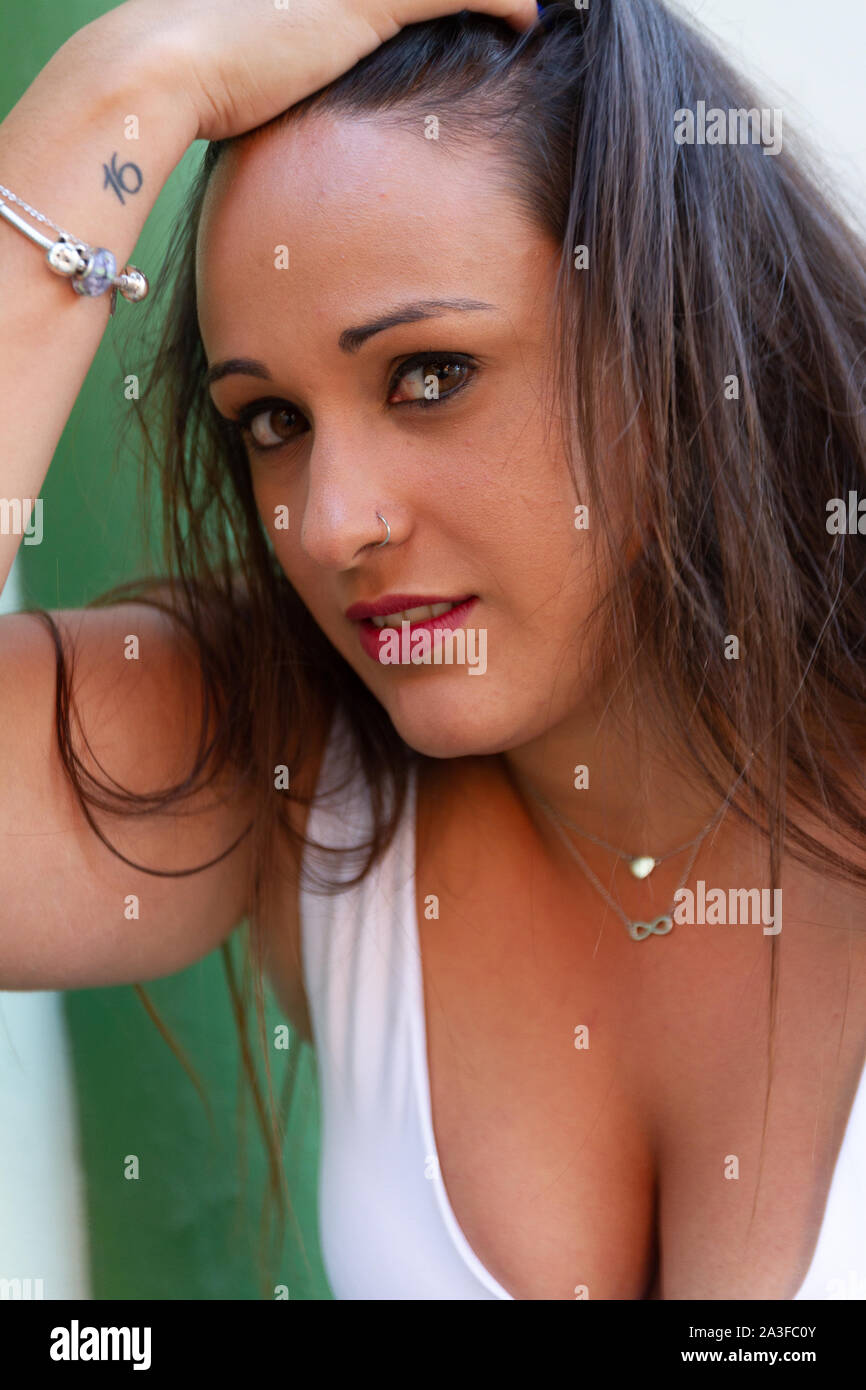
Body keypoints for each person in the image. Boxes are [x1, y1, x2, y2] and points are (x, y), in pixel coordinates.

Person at [1, 0, 865, 1301]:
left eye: (428, 376)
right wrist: (126, 80)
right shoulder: (299, 759)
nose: (334, 520)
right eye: (272, 418)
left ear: (670, 341)